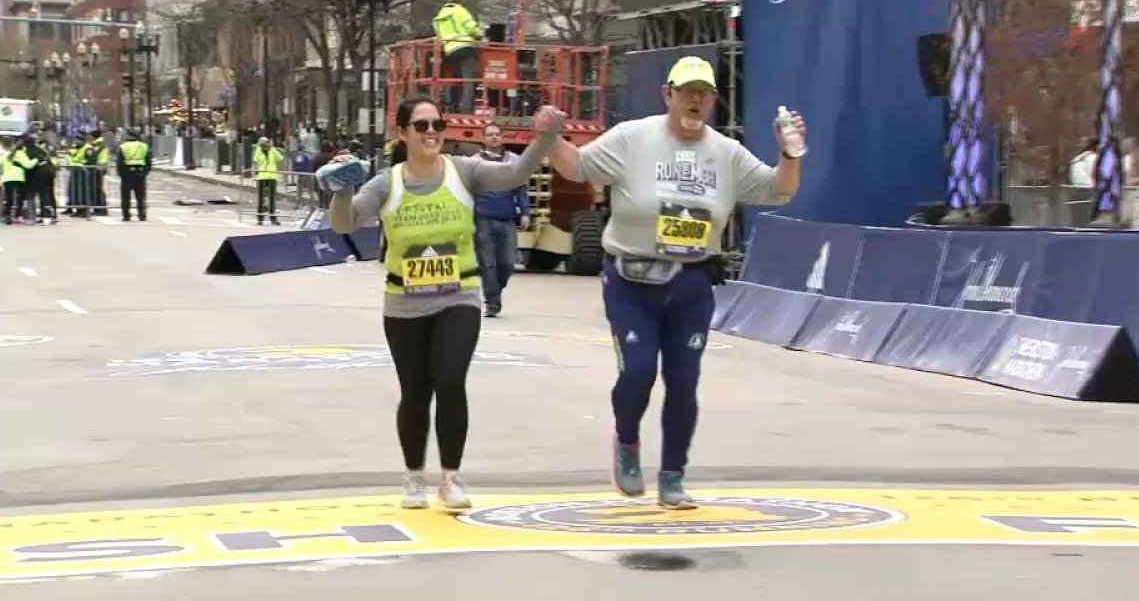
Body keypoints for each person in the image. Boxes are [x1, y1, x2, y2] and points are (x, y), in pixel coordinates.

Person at [547, 56, 806, 509]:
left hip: (691, 282)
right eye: (687, 91)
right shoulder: (633, 138)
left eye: (704, 93)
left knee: (684, 380)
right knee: (640, 370)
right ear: (668, 94)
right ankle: (627, 440)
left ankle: (673, 475)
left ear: (712, 100)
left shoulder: (725, 153)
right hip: (632, 279)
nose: (695, 100)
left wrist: (790, 152)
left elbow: (779, 190)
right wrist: (550, 136)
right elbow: (577, 167)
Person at [324, 96, 563, 510]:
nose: (432, 132)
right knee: (415, 392)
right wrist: (341, 190)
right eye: (422, 126)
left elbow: (515, 172)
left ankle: (451, 478)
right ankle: (414, 475)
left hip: (459, 295)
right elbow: (346, 223)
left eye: (438, 124)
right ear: (403, 133)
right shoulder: (387, 183)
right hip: (404, 302)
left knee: (450, 381)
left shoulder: (464, 171)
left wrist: (546, 136)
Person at [472, 123, 531, 317]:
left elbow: (520, 187)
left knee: (507, 263)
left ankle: (495, 289)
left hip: (506, 219)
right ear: (483, 139)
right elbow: (467, 190)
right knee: (487, 263)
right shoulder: (474, 162)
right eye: (490, 135)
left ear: (502, 137)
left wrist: (524, 212)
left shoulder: (513, 160)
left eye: (497, 134)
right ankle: (492, 303)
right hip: (483, 220)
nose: (494, 137)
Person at [432, 0, 482, 113]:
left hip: (449, 51)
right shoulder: (460, 10)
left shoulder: (438, 18)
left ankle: (452, 105)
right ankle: (466, 110)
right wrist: (479, 34)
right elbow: (471, 27)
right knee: (469, 82)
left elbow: (439, 37)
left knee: (456, 79)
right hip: (464, 48)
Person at [118, 131, 152, 221]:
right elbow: (148, 160)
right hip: (140, 173)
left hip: (127, 173)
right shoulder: (144, 146)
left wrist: (121, 174)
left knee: (125, 196)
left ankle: (126, 215)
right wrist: (145, 172)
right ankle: (142, 215)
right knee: (140, 196)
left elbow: (120, 162)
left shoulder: (123, 146)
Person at [253, 136, 284, 226]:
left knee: (272, 199)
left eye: (266, 143)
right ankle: (260, 219)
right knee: (261, 199)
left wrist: (273, 149)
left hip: (272, 177)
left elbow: (280, 158)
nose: (265, 146)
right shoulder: (258, 151)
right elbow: (256, 160)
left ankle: (273, 219)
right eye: (263, 144)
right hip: (262, 177)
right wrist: (259, 149)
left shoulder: (272, 150)